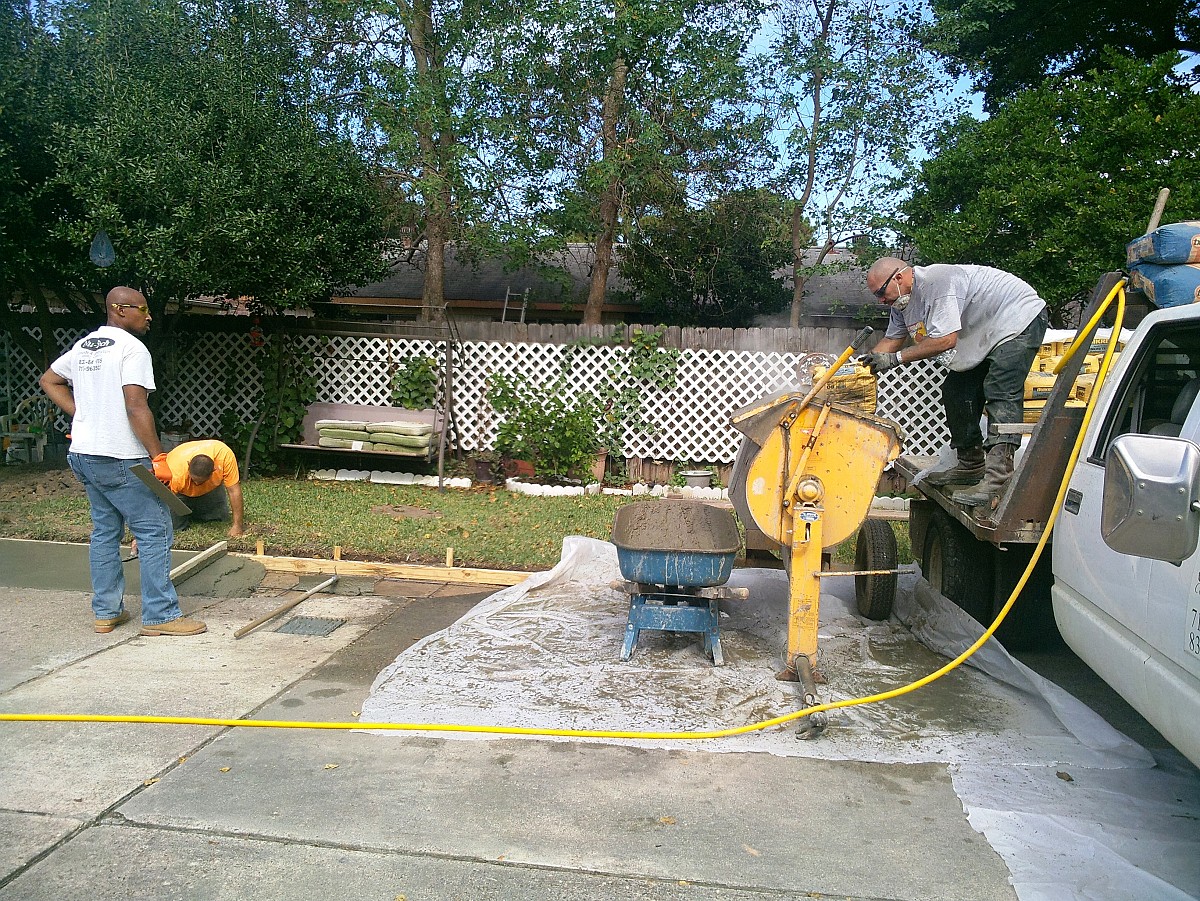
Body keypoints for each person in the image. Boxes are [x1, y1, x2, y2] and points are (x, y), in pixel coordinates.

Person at [38, 286, 207, 636]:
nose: (148, 316)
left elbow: (49, 380)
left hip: (84, 455)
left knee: (105, 532)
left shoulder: (85, 345)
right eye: (142, 309)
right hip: (120, 457)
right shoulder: (132, 349)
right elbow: (136, 406)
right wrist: (158, 456)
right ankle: (161, 616)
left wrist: (80, 417)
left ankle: (106, 612)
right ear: (119, 309)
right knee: (155, 528)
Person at [863, 257, 1048, 509]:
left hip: (1017, 318)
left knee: (1000, 390)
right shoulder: (901, 305)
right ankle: (970, 465)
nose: (881, 301)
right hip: (986, 329)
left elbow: (945, 340)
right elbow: (890, 342)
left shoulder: (939, 283)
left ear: (898, 277)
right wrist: (858, 372)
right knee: (956, 390)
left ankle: (998, 478)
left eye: (881, 293)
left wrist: (895, 359)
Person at [164, 439, 245, 537]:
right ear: (188, 466)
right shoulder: (175, 473)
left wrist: (237, 526)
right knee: (175, 527)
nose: (196, 484)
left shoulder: (224, 456)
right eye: (193, 480)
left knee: (219, 517)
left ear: (213, 472)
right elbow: (165, 499)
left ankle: (196, 512)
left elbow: (234, 491)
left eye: (201, 481)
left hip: (210, 490)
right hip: (179, 494)